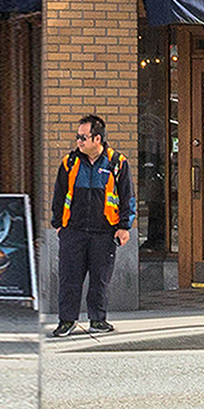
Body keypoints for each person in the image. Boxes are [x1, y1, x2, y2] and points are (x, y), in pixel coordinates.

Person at [49, 113, 133, 337]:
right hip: (73, 231)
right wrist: (58, 225)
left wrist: (124, 226)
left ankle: (98, 320)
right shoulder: (69, 163)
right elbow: (58, 196)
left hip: (104, 233)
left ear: (97, 139)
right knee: (69, 278)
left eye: (83, 137)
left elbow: (128, 198)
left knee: (100, 279)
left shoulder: (117, 163)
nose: (79, 141)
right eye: (78, 137)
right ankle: (67, 321)